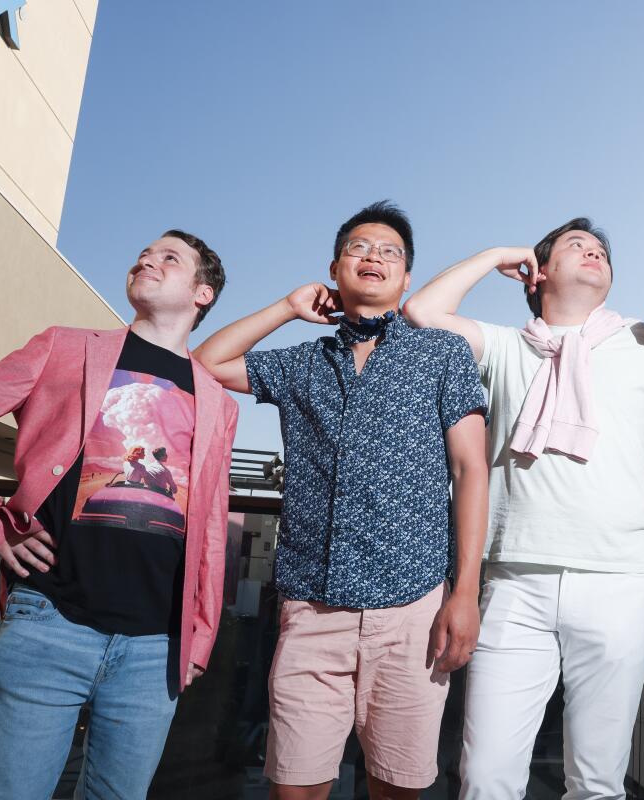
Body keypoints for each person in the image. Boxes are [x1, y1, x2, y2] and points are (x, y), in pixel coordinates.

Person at [403, 217, 644, 799]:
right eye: (576, 245)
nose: (593, 252)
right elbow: (421, 311)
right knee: (485, 775)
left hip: (619, 582)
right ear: (539, 272)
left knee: (596, 781)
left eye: (600, 250)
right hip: (515, 585)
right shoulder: (501, 345)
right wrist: (498, 250)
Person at [0, 230, 238, 799]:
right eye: (145, 252)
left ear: (202, 293)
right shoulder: (66, 347)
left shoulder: (218, 400)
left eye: (170, 258)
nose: (146, 259)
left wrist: (201, 635)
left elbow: (213, 524)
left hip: (155, 650)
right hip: (49, 621)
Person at [193, 201, 489, 800]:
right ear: (335, 269)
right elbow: (207, 362)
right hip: (310, 607)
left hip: (413, 607)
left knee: (396, 787)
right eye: (358, 247)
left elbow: (471, 469)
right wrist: (287, 307)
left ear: (406, 279)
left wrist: (464, 593)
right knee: (295, 787)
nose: (374, 256)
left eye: (390, 252)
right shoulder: (304, 362)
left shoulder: (442, 353)